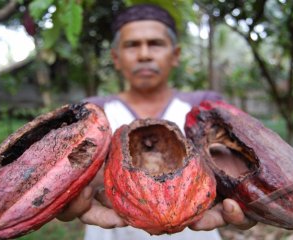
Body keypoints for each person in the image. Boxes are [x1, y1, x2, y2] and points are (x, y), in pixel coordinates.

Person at [57, 4, 256, 240]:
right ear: (116, 58)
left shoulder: (205, 107)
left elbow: (236, 165)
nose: (144, 54)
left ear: (175, 55)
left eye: (155, 44)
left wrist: (245, 192)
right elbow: (63, 173)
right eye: (132, 45)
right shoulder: (91, 112)